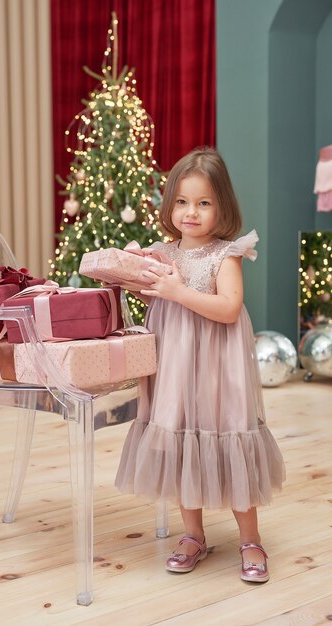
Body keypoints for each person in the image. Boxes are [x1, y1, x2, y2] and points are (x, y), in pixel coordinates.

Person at [115, 147, 285, 582]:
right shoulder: (163, 253)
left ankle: (250, 538)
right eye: (182, 202)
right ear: (170, 203)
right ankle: (193, 534)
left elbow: (229, 309)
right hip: (173, 365)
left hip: (217, 366)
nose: (191, 212)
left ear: (222, 206)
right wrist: (134, 278)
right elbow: (154, 298)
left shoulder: (225, 254)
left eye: (204, 203)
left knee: (227, 432)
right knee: (179, 435)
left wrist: (177, 293)